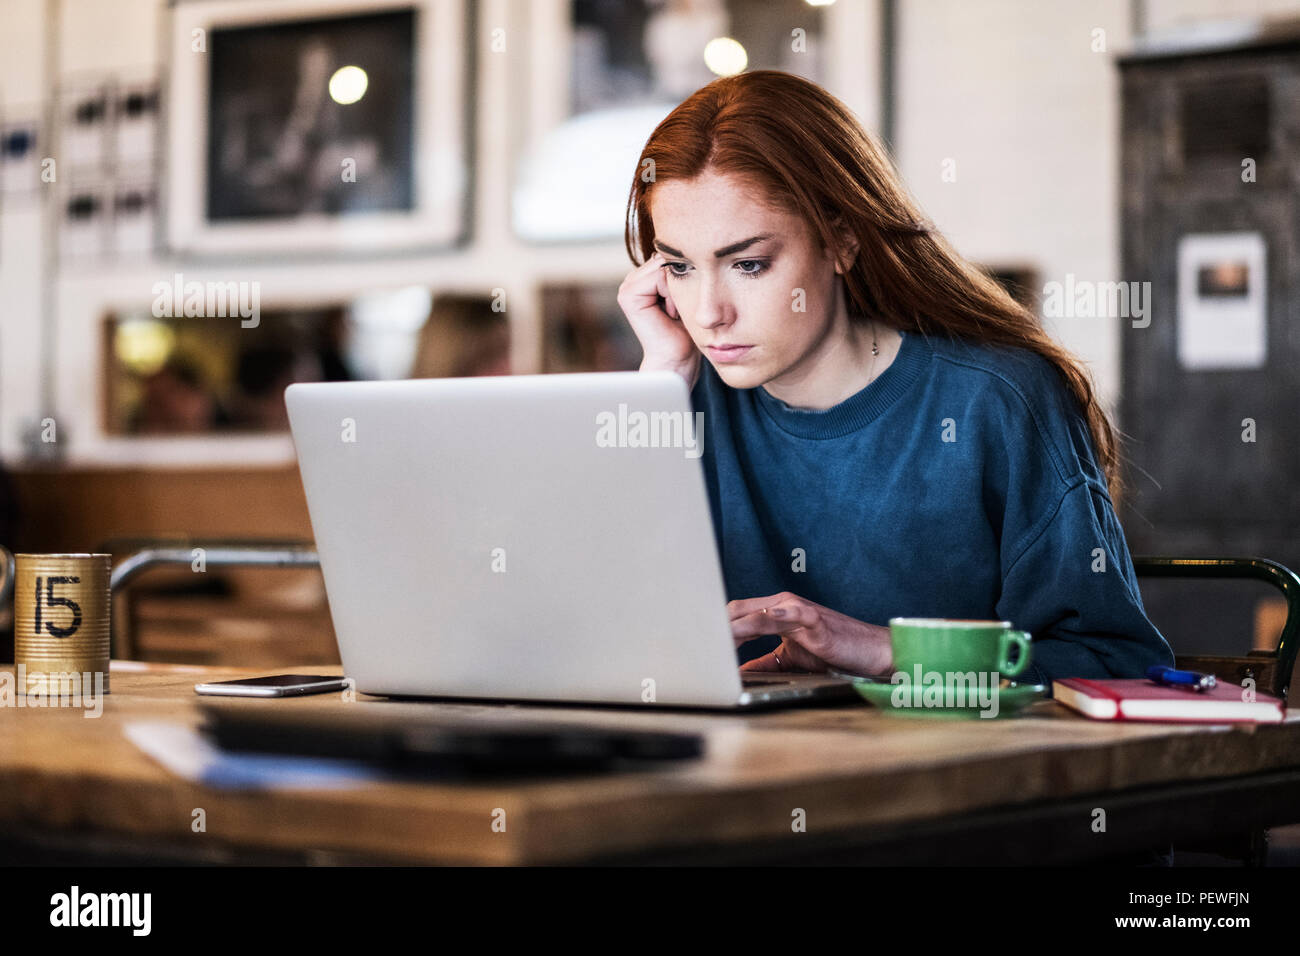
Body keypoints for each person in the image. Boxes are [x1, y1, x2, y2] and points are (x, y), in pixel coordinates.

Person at [617, 70, 1175, 688]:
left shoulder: (996, 400)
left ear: (843, 241)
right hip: (727, 772)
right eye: (679, 267)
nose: (707, 313)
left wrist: (886, 651)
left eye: (748, 264)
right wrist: (658, 390)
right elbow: (599, 636)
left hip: (956, 774)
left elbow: (1113, 663)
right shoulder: (677, 400)